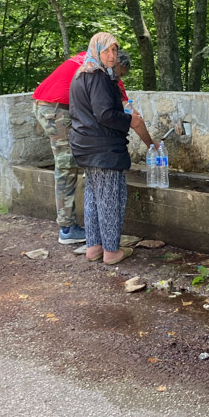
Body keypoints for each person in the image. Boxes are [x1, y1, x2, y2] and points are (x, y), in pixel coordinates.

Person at [68, 32, 148, 264]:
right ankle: (112, 252)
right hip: (102, 148)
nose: (111, 56)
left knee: (93, 197)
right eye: (106, 50)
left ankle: (94, 248)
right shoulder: (100, 77)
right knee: (112, 198)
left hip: (83, 146)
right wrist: (129, 120)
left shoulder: (80, 74)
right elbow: (105, 115)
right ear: (96, 50)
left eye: (114, 50)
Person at [32, 50, 86, 244]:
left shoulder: (87, 56)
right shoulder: (105, 67)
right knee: (66, 165)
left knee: (69, 161)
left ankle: (68, 224)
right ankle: (67, 228)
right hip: (55, 109)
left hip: (45, 104)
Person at [115, 50, 154, 147]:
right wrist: (151, 145)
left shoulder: (88, 68)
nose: (119, 78)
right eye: (121, 74)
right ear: (118, 64)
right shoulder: (112, 80)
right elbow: (134, 118)